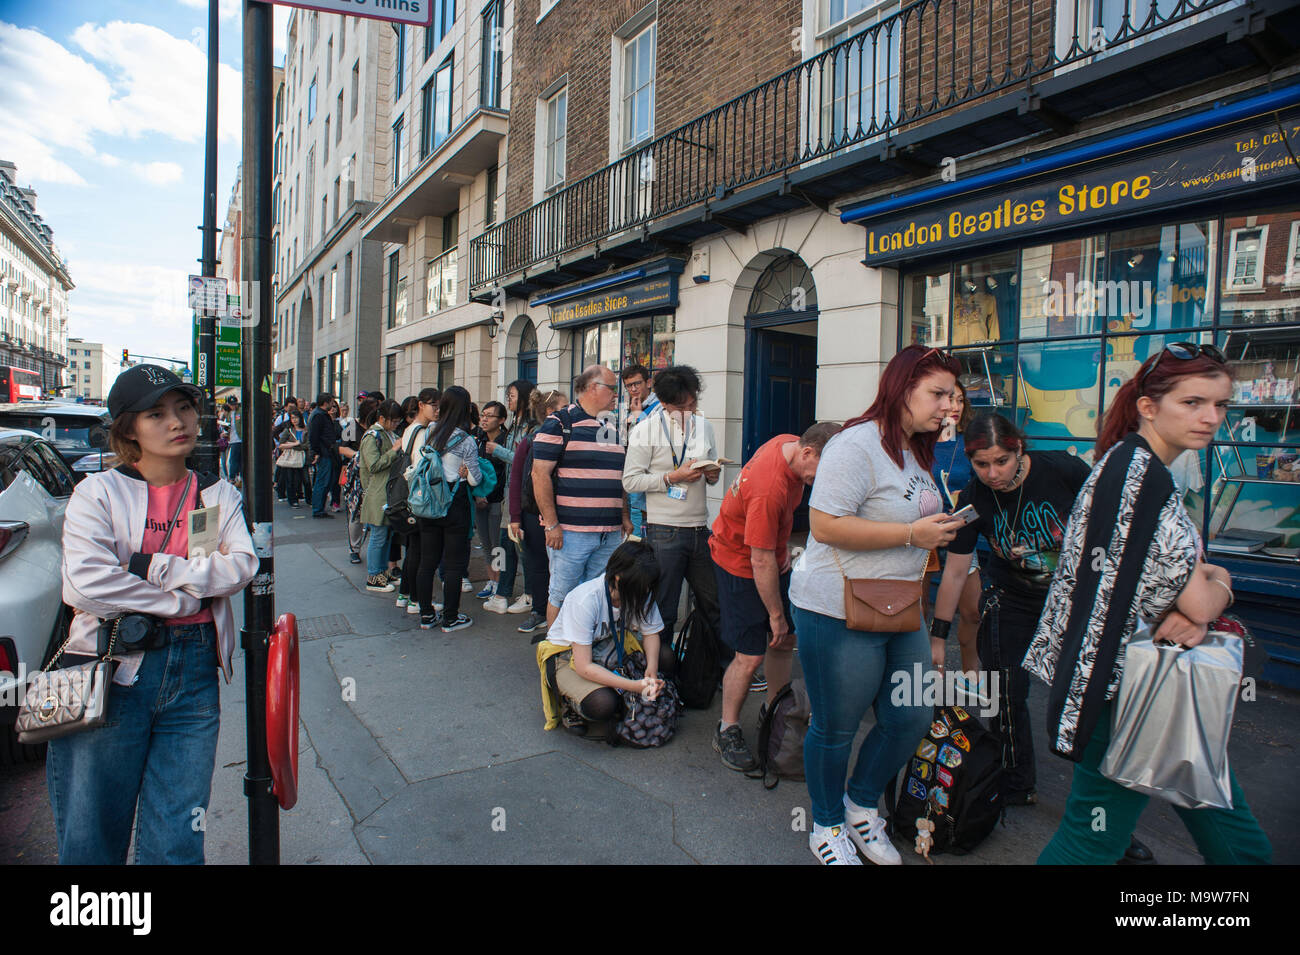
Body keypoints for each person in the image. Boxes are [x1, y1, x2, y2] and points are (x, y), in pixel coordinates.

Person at [1026, 342, 1272, 865]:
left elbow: (1152, 583)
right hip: (1126, 689)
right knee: (1093, 836)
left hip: (1143, 682)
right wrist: (1220, 580)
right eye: (1193, 402)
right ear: (1148, 405)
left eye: (1221, 404)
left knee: (1214, 804)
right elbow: (1202, 600)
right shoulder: (1141, 478)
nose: (1211, 418)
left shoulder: (1127, 465)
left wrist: (1192, 602)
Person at [50, 364, 258, 863]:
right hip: (110, 667)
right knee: (92, 832)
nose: (177, 421)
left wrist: (149, 567)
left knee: (179, 836)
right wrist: (182, 597)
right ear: (128, 429)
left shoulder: (217, 494)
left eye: (183, 408)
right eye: (157, 413)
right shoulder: (97, 493)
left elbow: (240, 567)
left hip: (195, 672)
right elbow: (87, 584)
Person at [790, 343, 964, 865]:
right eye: (937, 393)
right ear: (901, 386)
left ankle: (860, 805)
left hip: (901, 602)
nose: (948, 407)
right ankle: (824, 824)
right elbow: (824, 524)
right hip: (836, 606)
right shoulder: (855, 443)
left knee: (910, 717)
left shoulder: (917, 447)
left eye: (952, 396)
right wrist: (913, 533)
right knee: (836, 724)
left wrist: (934, 532)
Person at [930, 413, 1091, 807]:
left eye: (1001, 461)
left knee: (1088, 696)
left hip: (1074, 597)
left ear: (1019, 449)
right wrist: (938, 636)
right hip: (1012, 597)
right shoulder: (972, 499)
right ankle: (1015, 782)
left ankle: (1099, 804)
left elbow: (1112, 523)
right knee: (1004, 692)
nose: (992, 473)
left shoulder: (1063, 469)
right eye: (981, 464)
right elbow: (954, 574)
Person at [708, 421, 840, 771]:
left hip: (770, 555)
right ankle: (727, 729)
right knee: (749, 655)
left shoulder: (788, 440)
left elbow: (769, 553)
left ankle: (775, 710)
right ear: (808, 452)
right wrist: (775, 614)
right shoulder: (770, 488)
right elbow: (759, 559)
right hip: (739, 562)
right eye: (823, 470)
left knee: (784, 640)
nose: (824, 480)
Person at [621, 364, 722, 654]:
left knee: (714, 603)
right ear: (664, 404)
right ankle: (660, 675)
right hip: (664, 531)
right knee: (664, 610)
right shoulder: (645, 430)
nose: (689, 411)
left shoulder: (705, 426)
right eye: (681, 406)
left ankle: (714, 669)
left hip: (700, 529)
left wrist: (712, 474)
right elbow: (630, 481)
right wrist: (671, 478)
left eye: (693, 404)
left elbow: (711, 466)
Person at [535, 539, 675, 735]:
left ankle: (625, 695)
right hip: (567, 658)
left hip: (609, 649)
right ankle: (569, 702)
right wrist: (634, 686)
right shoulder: (586, 600)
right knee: (603, 704)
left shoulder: (641, 588)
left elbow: (651, 632)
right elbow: (584, 666)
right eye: (639, 587)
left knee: (664, 656)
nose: (644, 593)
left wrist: (651, 669)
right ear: (618, 578)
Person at [533, 365, 632, 628]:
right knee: (562, 596)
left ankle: (585, 654)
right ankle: (557, 657)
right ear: (592, 388)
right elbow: (539, 475)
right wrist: (552, 524)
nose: (617, 396)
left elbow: (619, 476)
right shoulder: (559, 423)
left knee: (598, 596)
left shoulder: (612, 426)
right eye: (612, 389)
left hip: (609, 533)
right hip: (570, 533)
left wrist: (623, 515)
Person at [928, 379, 984, 686]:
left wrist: (966, 513)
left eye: (961, 400)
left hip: (961, 531)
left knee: (972, 611)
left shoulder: (971, 443)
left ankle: (970, 676)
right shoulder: (922, 441)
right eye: (950, 398)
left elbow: (984, 495)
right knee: (918, 609)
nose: (956, 406)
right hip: (923, 533)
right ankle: (926, 678)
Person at [415, 385, 481, 632]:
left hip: (430, 501)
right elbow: (475, 479)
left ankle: (426, 615)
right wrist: (464, 472)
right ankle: (451, 617)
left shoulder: (429, 431)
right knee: (453, 564)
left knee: (427, 560)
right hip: (454, 504)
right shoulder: (466, 440)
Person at [509, 389, 567, 636]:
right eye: (565, 407)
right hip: (534, 513)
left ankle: (558, 613)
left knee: (560, 567)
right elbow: (516, 479)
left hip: (561, 513)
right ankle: (540, 610)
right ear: (551, 413)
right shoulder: (530, 440)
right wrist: (514, 517)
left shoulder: (570, 438)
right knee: (537, 565)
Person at [482, 379, 536, 615]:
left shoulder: (531, 427)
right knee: (505, 546)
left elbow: (525, 460)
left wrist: (499, 451)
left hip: (522, 496)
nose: (509, 401)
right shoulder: (516, 425)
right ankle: (502, 593)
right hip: (508, 495)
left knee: (521, 548)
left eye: (512, 396)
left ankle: (529, 594)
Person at [397, 388, 439, 614]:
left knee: (413, 548)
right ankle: (416, 600)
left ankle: (406, 594)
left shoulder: (410, 429)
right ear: (421, 405)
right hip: (419, 496)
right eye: (434, 405)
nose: (437, 410)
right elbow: (423, 466)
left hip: (408, 496)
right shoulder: (422, 432)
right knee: (420, 551)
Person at [357, 400, 405, 592]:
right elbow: (374, 465)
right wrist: (394, 451)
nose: (395, 425)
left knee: (386, 534)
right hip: (378, 492)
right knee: (378, 534)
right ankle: (374, 576)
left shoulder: (387, 433)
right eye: (393, 421)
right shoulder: (372, 436)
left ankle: (382, 572)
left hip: (388, 491)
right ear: (382, 418)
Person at [474, 400, 512, 607]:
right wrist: (478, 494)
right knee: (486, 543)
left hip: (497, 500)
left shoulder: (505, 442)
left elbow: (503, 475)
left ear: (502, 420)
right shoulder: (478, 440)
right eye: (483, 414)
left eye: (490, 416)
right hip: (479, 499)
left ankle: (500, 584)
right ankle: (491, 581)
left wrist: (488, 495)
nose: (485, 419)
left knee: (498, 546)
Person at [620, 363, 658, 537]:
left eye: (637, 384)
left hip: (648, 477)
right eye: (629, 385)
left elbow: (647, 440)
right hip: (631, 475)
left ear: (648, 383)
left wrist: (637, 417)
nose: (633, 389)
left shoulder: (658, 407)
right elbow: (624, 440)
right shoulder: (629, 406)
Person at [307, 391, 338, 518]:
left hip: (325, 452)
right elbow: (314, 436)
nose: (333, 404)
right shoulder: (319, 416)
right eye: (331, 401)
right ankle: (318, 508)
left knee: (325, 481)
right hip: (323, 453)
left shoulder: (319, 414)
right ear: (326, 403)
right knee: (322, 481)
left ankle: (319, 508)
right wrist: (316, 452)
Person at [276, 409, 308, 507]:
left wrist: (293, 444)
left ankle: (307, 498)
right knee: (290, 479)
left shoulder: (306, 430)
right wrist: (295, 444)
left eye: (296, 418)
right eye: (292, 418)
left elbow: (306, 445)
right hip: (291, 457)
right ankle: (292, 499)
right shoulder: (288, 430)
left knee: (305, 479)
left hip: (303, 456)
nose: (294, 420)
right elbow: (281, 444)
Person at [222, 395, 242, 488]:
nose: (233, 406)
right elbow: (228, 425)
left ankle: (232, 477)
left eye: (235, 404)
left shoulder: (240, 411)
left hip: (239, 439)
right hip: (232, 439)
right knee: (235, 459)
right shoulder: (229, 414)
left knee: (233, 460)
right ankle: (238, 476)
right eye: (231, 404)